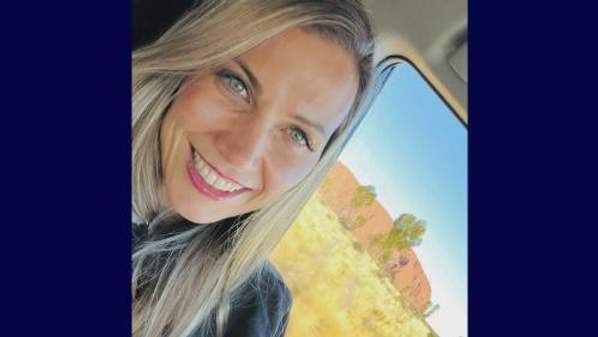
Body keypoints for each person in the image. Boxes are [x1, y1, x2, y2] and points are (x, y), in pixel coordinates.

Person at [131, 1, 375, 337]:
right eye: (237, 84)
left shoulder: (255, 312)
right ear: (188, 61)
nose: (242, 155)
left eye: (297, 134)